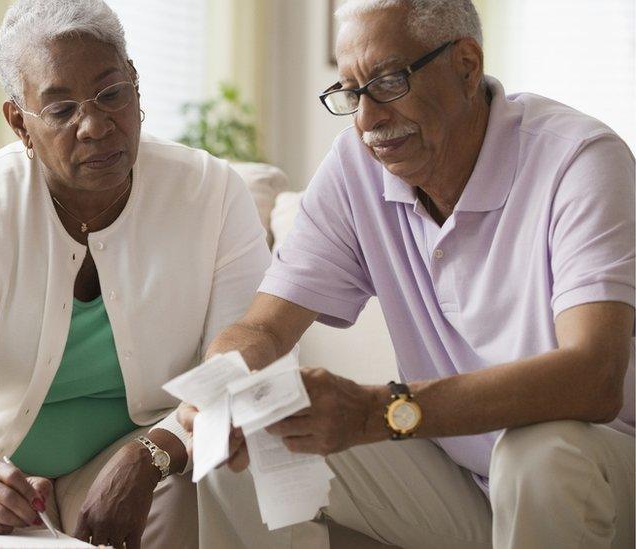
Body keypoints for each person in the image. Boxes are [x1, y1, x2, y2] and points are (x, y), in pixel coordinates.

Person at [178, 1, 635, 548]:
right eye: (350, 92)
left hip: (595, 473)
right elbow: (264, 329)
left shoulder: (579, 159)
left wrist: (379, 411)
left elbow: (595, 377)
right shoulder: (356, 167)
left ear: (467, 65)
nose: (367, 121)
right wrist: (222, 385)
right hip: (459, 475)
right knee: (252, 436)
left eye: (389, 81)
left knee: (536, 454)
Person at [0, 1, 270, 547]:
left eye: (111, 93)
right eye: (61, 109)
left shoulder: (210, 193)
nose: (94, 126)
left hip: (139, 459)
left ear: (136, 87)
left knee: (198, 503)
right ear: (19, 122)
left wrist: (152, 454)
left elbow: (240, 371)